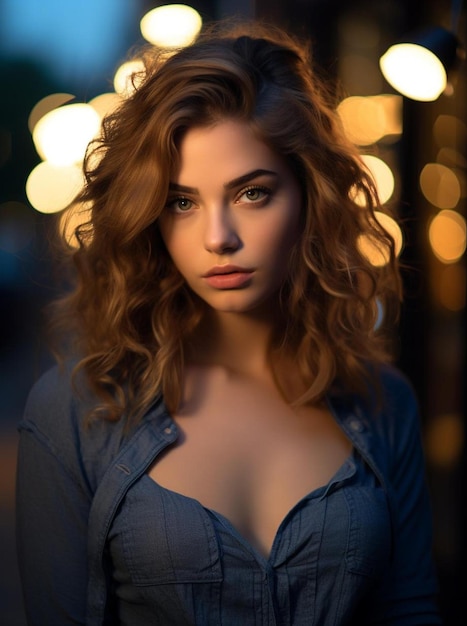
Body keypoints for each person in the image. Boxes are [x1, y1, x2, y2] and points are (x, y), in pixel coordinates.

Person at [16, 18, 442, 626]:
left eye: (252, 193)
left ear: (310, 198)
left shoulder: (384, 403)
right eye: (181, 202)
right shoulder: (75, 413)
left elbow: (410, 611)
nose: (219, 238)